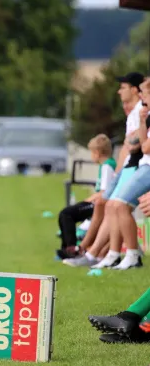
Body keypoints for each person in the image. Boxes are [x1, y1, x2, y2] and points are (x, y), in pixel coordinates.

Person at [63, 72, 145, 267]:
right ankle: (92, 251)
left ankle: (107, 254)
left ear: (135, 90)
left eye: (123, 87)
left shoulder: (140, 111)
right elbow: (128, 144)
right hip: (126, 167)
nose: (118, 92)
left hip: (136, 165)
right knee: (104, 205)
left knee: (116, 206)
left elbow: (136, 144)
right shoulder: (135, 113)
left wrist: (133, 142)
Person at [57, 134, 116, 259]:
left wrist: (89, 199)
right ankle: (67, 249)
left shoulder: (107, 166)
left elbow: (105, 192)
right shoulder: (106, 165)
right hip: (97, 202)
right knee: (65, 214)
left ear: (97, 152)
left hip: (99, 204)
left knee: (67, 214)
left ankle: (71, 249)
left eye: (91, 152)